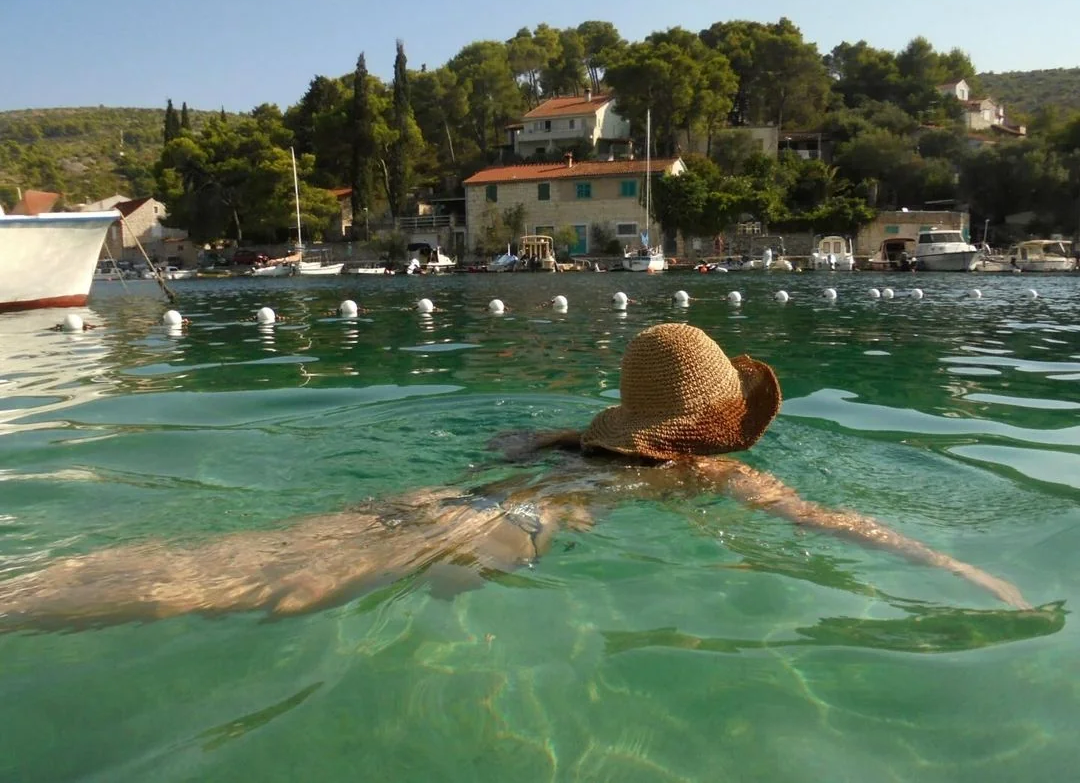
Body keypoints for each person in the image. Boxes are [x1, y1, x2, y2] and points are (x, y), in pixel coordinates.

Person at [0, 325, 1030, 632]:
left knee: (227, 557)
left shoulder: (569, 440)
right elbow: (838, 523)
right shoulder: (715, 481)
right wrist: (960, 569)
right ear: (721, 424)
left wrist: (550, 442)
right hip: (512, 529)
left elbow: (511, 440)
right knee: (249, 584)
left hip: (447, 501)